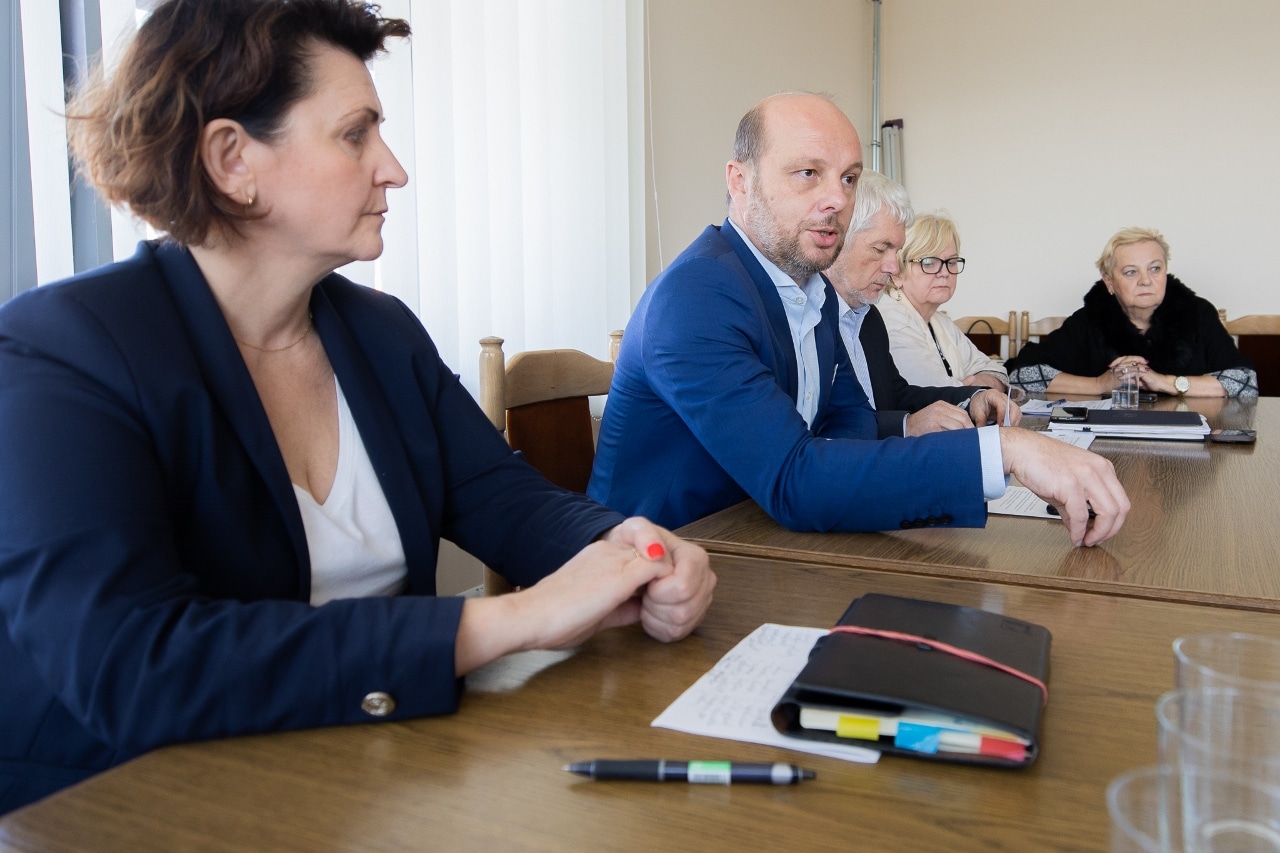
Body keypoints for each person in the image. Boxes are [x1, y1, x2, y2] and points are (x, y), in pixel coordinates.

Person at [0, 0, 714, 814]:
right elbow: (132, 667)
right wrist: (510, 621)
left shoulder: (381, 333)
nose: (394, 169)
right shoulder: (64, 351)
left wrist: (626, 549)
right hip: (122, 804)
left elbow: (506, 499)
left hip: (357, 782)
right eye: (355, 135)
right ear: (232, 159)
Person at [587, 92, 1127, 544]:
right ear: (740, 181)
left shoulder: (813, 290)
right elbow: (796, 479)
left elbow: (850, 426)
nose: (836, 199)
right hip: (662, 563)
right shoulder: (697, 295)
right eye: (808, 173)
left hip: (766, 540)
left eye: (848, 179)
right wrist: (1003, 450)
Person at [825, 171, 1021, 438]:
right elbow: (825, 428)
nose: (894, 267)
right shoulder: (810, 318)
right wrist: (907, 425)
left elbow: (897, 395)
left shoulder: (868, 318)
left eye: (896, 252)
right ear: (835, 238)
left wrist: (973, 397)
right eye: (880, 249)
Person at [1005, 227, 1257, 398]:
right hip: (1110, 441)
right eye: (1131, 272)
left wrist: (1166, 382)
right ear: (1109, 282)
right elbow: (1022, 375)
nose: (1146, 280)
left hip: (1188, 446)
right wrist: (1100, 384)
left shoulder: (1197, 313)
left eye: (1155, 268)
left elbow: (1245, 381)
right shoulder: (1090, 319)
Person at [876, 213, 1009, 391]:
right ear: (897, 273)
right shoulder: (892, 321)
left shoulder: (941, 322)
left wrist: (980, 384)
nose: (945, 272)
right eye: (929, 262)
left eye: (951, 261)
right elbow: (937, 392)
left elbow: (996, 371)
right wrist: (977, 393)